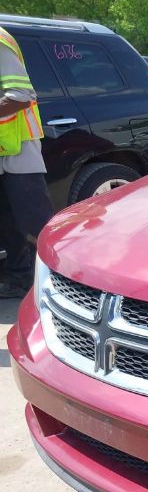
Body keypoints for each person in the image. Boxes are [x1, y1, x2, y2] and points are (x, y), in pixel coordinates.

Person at [0, 25, 53, 298]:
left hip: (19, 149)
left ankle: (57, 285)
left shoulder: (0, 40)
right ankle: (20, 279)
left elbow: (21, 96)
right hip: (3, 148)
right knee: (8, 222)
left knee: (35, 222)